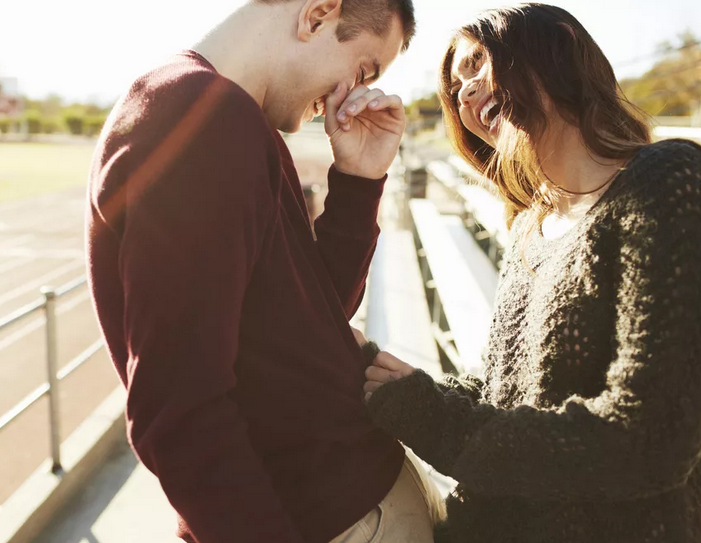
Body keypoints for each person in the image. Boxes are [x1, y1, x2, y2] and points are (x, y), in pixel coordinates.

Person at [85, 0, 444, 542]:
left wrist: (359, 179)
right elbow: (177, 407)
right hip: (326, 517)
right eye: (364, 68)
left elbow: (311, 317)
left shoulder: (232, 120)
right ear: (317, 14)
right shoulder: (199, 118)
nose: (348, 94)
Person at [363, 4, 701, 542]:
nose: (467, 93)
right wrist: (401, 384)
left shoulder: (665, 182)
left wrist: (431, 416)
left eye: (478, 64)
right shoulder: (528, 228)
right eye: (456, 89)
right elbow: (510, 394)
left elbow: (648, 440)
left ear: (560, 44)